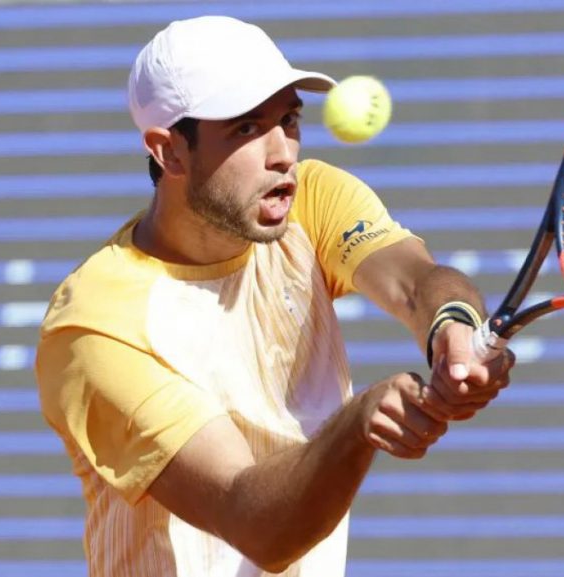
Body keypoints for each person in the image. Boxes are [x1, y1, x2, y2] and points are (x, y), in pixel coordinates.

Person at [35, 15, 514, 577]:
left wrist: (450, 326)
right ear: (169, 152)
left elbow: (415, 283)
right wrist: (358, 422)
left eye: (288, 120)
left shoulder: (311, 199)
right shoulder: (96, 327)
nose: (282, 152)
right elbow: (257, 524)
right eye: (245, 129)